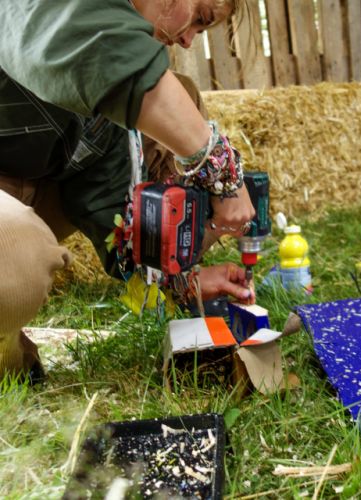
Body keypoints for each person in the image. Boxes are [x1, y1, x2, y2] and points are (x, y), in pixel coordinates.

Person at [0, 0, 256, 381]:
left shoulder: (111, 97)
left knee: (178, 98)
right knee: (15, 256)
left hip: (25, 186)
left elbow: (110, 210)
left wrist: (181, 281)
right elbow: (108, 53)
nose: (187, 41)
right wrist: (222, 171)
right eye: (198, 19)